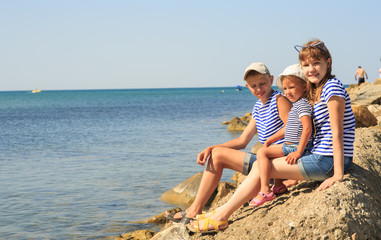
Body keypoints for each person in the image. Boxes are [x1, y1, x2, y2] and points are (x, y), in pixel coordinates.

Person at [187, 40, 355, 233]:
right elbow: (243, 141)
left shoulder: (330, 88)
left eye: (316, 63)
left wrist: (338, 174)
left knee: (261, 164)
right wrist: (211, 147)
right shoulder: (319, 90)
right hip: (319, 156)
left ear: (328, 62)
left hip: (326, 160)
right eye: (306, 65)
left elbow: (336, 132)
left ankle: (221, 217)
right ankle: (211, 212)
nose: (311, 69)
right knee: (238, 157)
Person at [164, 62, 293, 224]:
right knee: (216, 154)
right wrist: (211, 147)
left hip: (278, 160)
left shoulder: (279, 99)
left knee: (217, 155)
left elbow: (292, 128)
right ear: (247, 86)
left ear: (271, 79)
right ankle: (194, 210)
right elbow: (242, 141)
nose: (259, 89)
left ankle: (193, 212)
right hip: (264, 161)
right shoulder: (258, 108)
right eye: (253, 86)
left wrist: (272, 142)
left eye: (263, 83)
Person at [249, 64, 313, 207]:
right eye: (284, 89)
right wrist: (271, 139)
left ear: (304, 87)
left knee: (262, 153)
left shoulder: (302, 104)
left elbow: (307, 128)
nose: (287, 92)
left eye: (291, 88)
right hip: (290, 145)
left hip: (295, 147)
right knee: (268, 151)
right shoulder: (296, 104)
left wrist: (299, 151)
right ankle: (278, 186)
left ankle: (265, 189)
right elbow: (289, 127)